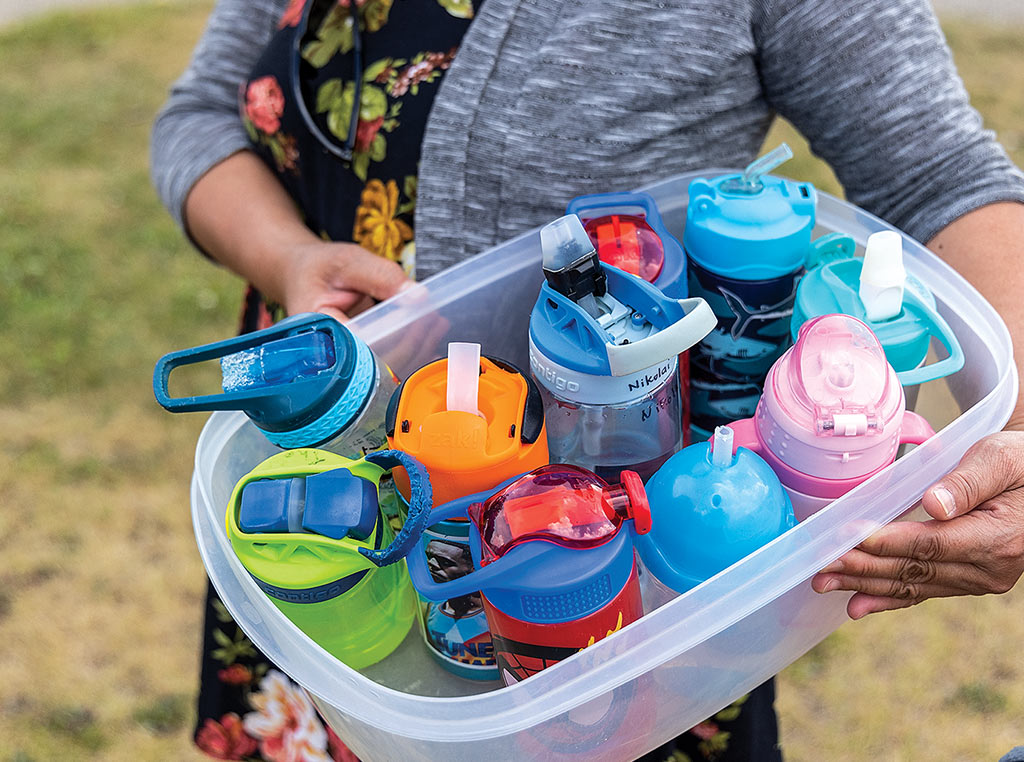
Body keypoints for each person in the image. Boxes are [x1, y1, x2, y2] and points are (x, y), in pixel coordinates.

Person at [151, 0, 1024, 759]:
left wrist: (1018, 454)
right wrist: (290, 257)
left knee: (583, 708)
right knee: (362, 672)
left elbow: (943, 176)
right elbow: (198, 118)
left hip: (632, 597)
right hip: (316, 494)